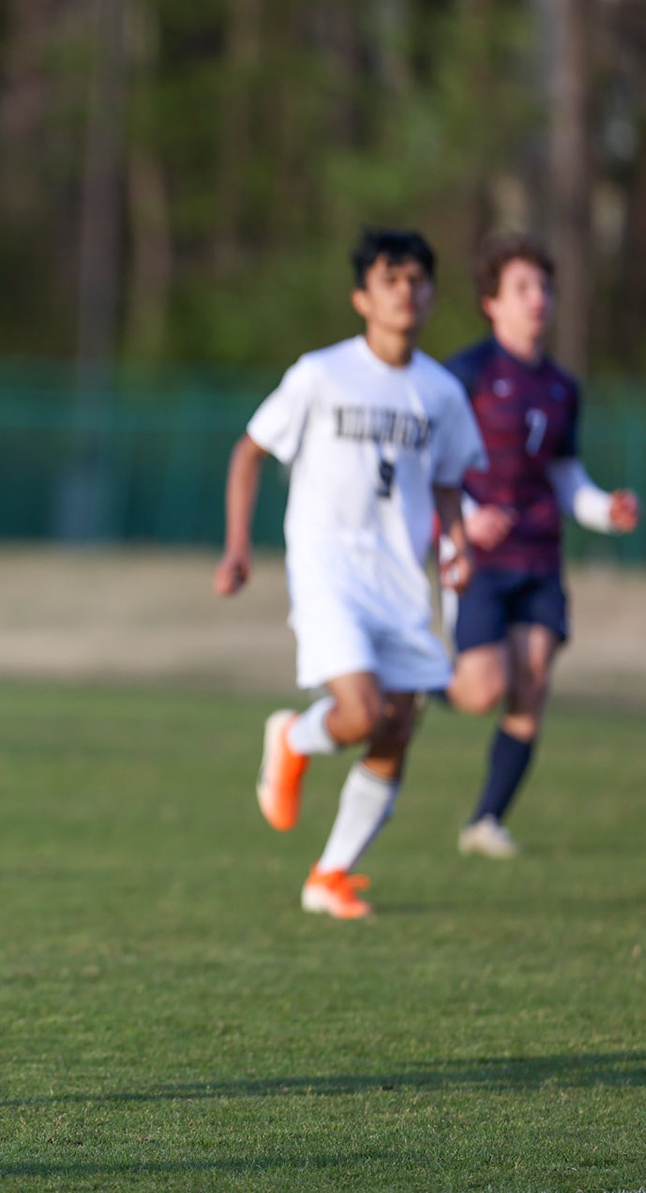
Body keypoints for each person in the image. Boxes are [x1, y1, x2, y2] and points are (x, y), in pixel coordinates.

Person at [214, 228, 486, 919]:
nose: (408, 291)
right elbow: (250, 451)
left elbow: (450, 481)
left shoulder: (442, 392)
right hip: (329, 570)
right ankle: (294, 738)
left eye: (419, 279)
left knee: (398, 725)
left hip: (400, 580)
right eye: (392, 279)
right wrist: (238, 546)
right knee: (362, 711)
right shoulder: (322, 373)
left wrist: (455, 542)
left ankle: (330, 875)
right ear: (362, 296)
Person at [442, 237, 641, 858]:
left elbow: (565, 476)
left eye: (545, 288)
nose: (539, 300)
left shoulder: (561, 387)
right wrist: (467, 520)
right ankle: (411, 682)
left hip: (540, 556)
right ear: (491, 303)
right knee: (481, 691)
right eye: (523, 288)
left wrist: (603, 508)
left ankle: (486, 822)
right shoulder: (464, 374)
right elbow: (433, 467)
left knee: (531, 684)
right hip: (480, 560)